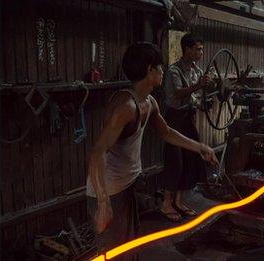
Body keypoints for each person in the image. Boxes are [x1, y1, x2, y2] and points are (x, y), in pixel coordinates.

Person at [86, 42, 218, 259]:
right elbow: (97, 153)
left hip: (125, 185)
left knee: (130, 249)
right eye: (160, 66)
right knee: (113, 254)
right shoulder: (125, 107)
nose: (163, 71)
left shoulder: (149, 102)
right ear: (150, 70)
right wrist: (102, 203)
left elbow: (167, 132)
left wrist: (199, 147)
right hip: (108, 190)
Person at [160, 33, 211, 222]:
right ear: (187, 49)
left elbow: (196, 96)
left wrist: (205, 94)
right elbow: (178, 93)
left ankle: (179, 202)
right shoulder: (174, 71)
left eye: (201, 49)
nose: (200, 52)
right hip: (174, 119)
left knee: (191, 158)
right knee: (175, 160)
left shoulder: (196, 70)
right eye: (197, 49)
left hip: (188, 118)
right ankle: (166, 203)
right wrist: (198, 85)